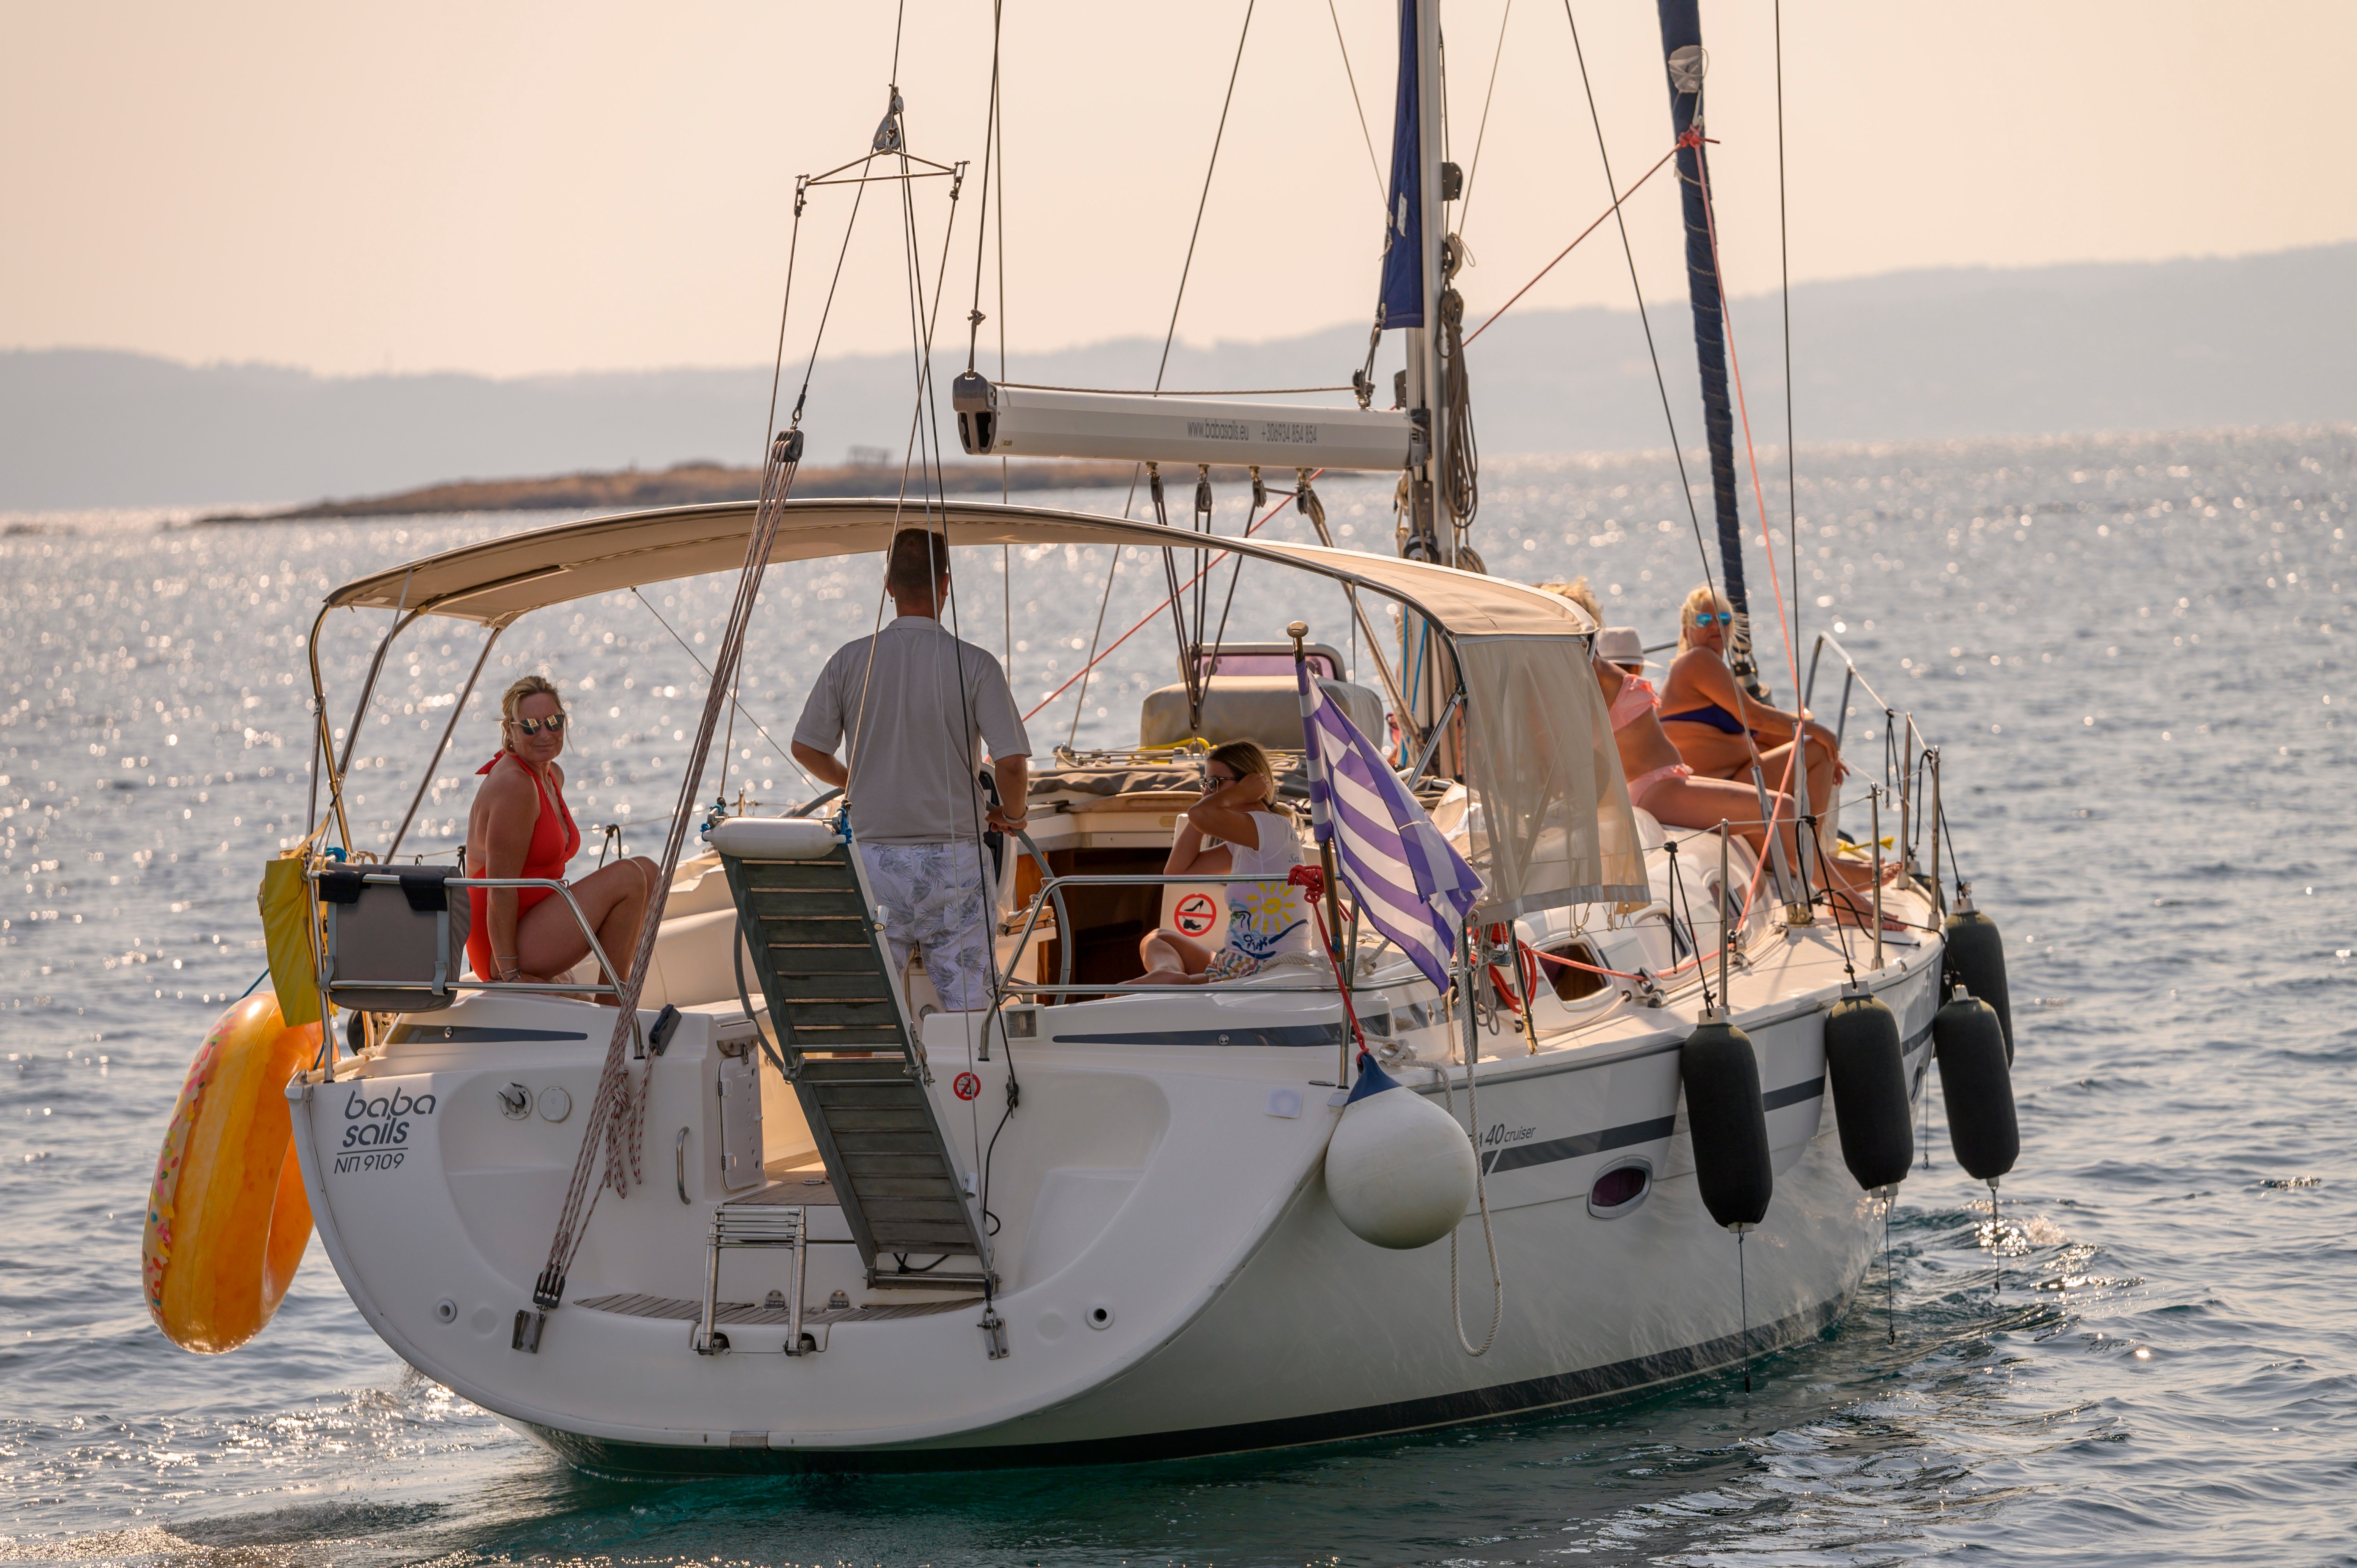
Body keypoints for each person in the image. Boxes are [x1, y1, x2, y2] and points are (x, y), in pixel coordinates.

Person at [1537, 582, 1887, 920]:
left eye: (1723, 620)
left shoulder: (1584, 673)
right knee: (1784, 808)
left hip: (1666, 783)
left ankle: (1829, 881)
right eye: (1705, 620)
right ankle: (1842, 898)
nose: (1591, 632)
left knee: (1785, 807)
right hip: (1657, 789)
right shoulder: (1589, 675)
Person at [790, 528, 1029, 1012]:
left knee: (866, 1006)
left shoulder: (850, 660)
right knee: (972, 1014)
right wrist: (1013, 816)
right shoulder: (976, 665)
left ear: (888, 586)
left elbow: (807, 747)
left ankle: (859, 1074)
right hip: (954, 863)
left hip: (874, 862)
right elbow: (1011, 764)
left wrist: (852, 781)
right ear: (946, 586)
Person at [465, 674, 660, 994]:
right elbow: (499, 889)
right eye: (530, 726)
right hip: (500, 945)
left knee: (649, 872)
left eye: (554, 722)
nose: (545, 734)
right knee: (628, 877)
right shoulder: (515, 786)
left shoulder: (551, 775)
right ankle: (613, 1008)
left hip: (534, 920)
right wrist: (510, 973)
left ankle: (616, 997)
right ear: (510, 731)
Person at [1657, 583, 1845, 827]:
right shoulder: (1698, 659)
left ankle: (1801, 849)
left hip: (1729, 782)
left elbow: (1759, 730)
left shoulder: (1710, 672)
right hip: (1714, 788)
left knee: (1809, 747)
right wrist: (1816, 731)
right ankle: (1813, 854)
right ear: (1686, 631)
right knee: (1817, 750)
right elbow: (1755, 717)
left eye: (1723, 619)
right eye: (1704, 620)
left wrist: (1820, 741)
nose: (1715, 626)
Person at [1138, 740, 1310, 984]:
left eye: (1216, 783)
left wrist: (1232, 797)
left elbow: (1200, 815)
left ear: (1250, 784)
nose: (1208, 792)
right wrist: (1212, 798)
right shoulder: (1245, 840)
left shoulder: (1271, 828)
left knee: (1115, 996)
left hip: (1263, 968)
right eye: (1205, 784)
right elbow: (1177, 872)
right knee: (1158, 939)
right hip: (1238, 960)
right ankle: (1171, 977)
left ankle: (1176, 984)